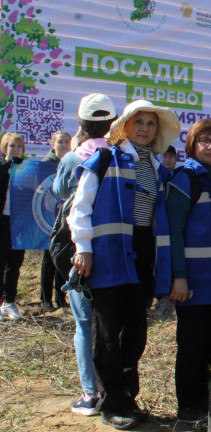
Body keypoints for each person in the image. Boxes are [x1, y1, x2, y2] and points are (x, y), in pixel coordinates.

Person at [68, 99, 179, 430]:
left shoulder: (160, 169)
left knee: (136, 333)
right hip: (108, 256)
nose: (145, 127)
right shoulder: (103, 159)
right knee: (106, 335)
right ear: (125, 128)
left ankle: (126, 398)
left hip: (143, 256)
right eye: (139, 121)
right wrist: (83, 248)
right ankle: (111, 403)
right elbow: (80, 207)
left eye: (151, 123)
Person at [164, 118, 211, 423]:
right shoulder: (185, 180)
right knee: (192, 347)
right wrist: (178, 277)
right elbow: (174, 233)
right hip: (193, 284)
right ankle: (188, 407)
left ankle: (206, 400)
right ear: (192, 146)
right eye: (204, 141)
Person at [53, 93, 118, 417]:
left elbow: (60, 191)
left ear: (81, 123)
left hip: (80, 249)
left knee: (84, 322)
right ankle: (112, 391)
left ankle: (89, 394)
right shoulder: (117, 154)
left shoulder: (74, 158)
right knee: (108, 323)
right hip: (110, 249)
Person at [40, 130, 72, 312]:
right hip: (46, 219)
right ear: (53, 144)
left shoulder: (72, 163)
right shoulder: (45, 165)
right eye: (60, 141)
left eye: (67, 141)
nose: (64, 145)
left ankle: (61, 298)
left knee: (62, 254)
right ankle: (45, 300)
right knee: (47, 258)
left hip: (65, 219)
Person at [0, 133, 27, 321]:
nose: (15, 149)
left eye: (19, 146)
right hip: (2, 220)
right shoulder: (2, 169)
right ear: (5, 149)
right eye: (12, 146)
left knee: (15, 263)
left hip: (20, 222)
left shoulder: (28, 170)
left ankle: (9, 301)